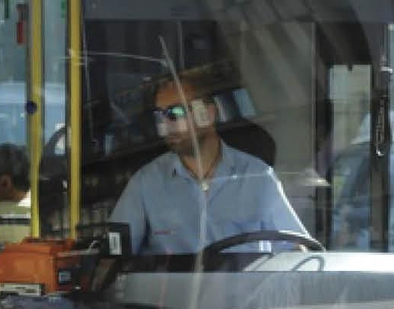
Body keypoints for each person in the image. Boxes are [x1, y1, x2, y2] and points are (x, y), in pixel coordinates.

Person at [109, 74, 306, 254]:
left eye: (175, 113)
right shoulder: (145, 184)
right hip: (176, 293)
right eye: (159, 116)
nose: (167, 125)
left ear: (208, 114)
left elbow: (295, 249)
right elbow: (114, 255)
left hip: (245, 292)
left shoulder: (257, 176)